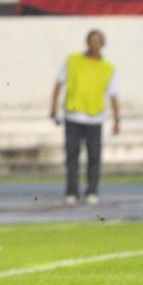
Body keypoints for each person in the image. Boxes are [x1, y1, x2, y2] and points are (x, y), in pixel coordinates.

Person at [50, 30, 119, 206]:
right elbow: (59, 83)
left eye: (98, 41)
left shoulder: (108, 68)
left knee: (94, 157)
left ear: (102, 44)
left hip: (95, 117)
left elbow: (114, 95)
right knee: (72, 156)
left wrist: (117, 120)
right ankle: (72, 192)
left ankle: (92, 191)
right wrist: (54, 107)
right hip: (73, 115)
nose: (94, 44)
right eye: (91, 40)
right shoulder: (73, 61)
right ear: (87, 42)